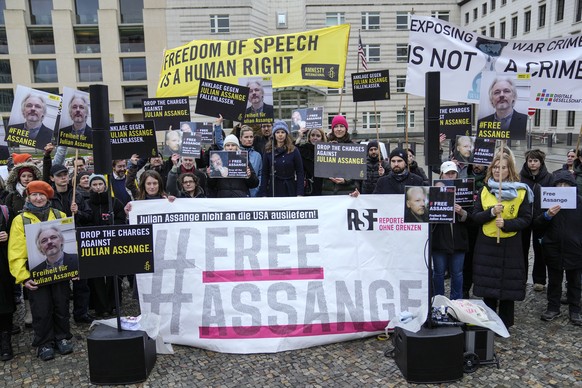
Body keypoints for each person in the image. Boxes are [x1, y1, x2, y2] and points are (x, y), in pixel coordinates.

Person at [8, 181, 73, 361]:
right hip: (35, 274)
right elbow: (16, 251)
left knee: (61, 305)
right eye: (34, 195)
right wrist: (23, 277)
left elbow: (69, 243)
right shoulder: (20, 220)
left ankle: (62, 337)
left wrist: (74, 269)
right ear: (28, 197)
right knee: (41, 309)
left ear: (48, 197)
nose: (38, 198)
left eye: (42, 195)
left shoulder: (59, 215)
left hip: (60, 271)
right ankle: (44, 342)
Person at [470, 150, 533, 329]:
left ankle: (505, 322)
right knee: (488, 283)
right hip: (487, 244)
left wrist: (506, 223)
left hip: (509, 244)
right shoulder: (485, 190)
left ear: (509, 169)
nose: (498, 170)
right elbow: (475, 216)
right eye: (496, 167)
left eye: (503, 167)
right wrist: (490, 213)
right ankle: (489, 321)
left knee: (507, 285)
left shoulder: (520, 191)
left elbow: (526, 219)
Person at [43, 163, 93, 325]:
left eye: (65, 174)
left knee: (81, 281)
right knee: (61, 283)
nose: (63, 177)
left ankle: (81, 313)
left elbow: (89, 216)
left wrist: (78, 212)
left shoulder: (77, 195)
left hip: (76, 240)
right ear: (52, 178)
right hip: (57, 244)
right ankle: (61, 316)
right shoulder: (48, 198)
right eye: (59, 175)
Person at [533, 170, 582, 326]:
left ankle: (575, 310)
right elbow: (537, 224)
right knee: (554, 280)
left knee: (574, 281)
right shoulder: (548, 202)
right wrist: (547, 215)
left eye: (565, 184)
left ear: (572, 186)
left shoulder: (579, 202)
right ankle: (553, 307)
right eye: (558, 184)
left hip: (575, 249)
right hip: (553, 248)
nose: (562, 187)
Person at [84, 174, 126, 318]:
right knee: (97, 278)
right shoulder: (86, 203)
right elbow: (85, 221)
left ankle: (113, 304)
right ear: (90, 187)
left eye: (100, 184)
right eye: (94, 185)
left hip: (113, 244)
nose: (97, 187)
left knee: (113, 276)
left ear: (105, 186)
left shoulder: (115, 203)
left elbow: (122, 220)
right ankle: (100, 307)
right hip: (93, 246)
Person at [432, 161, 470, 300]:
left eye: (453, 173)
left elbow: (472, 216)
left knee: (458, 273)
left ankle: (457, 301)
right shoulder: (433, 191)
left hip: (458, 240)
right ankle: (438, 300)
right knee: (438, 273)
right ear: (441, 175)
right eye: (447, 173)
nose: (450, 176)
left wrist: (462, 212)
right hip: (439, 240)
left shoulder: (465, 191)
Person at [519, 149, 554, 292]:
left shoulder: (549, 178)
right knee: (522, 250)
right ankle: (521, 278)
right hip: (524, 219)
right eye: (530, 161)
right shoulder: (520, 177)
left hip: (541, 219)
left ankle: (539, 280)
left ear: (541, 162)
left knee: (540, 250)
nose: (533, 164)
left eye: (535, 161)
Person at [258, 120, 304, 197]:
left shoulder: (294, 150)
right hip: (274, 188)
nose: (280, 135)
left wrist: (300, 193)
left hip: (290, 187)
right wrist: (263, 193)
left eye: (282, 132)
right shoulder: (268, 151)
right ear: (274, 134)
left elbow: (300, 172)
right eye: (277, 132)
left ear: (286, 134)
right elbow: (264, 173)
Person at [322, 115, 358, 195]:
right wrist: (328, 148)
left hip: (347, 191)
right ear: (332, 129)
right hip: (328, 192)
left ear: (346, 129)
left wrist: (346, 180)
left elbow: (358, 172)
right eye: (336, 126)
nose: (339, 129)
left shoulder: (354, 147)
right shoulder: (325, 146)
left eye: (341, 126)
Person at [0, 202, 15, 361]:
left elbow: (17, 235)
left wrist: (8, 235)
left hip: (3, 264)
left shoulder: (5, 211)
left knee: (4, 304)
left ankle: (6, 339)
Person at [297, 128, 327, 196]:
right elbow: (293, 150)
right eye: (312, 135)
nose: (315, 138)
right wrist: (299, 137)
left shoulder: (327, 151)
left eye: (318, 136)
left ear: (322, 138)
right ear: (309, 137)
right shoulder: (303, 150)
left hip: (323, 188)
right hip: (308, 187)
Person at [239, 125, 262, 197]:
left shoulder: (257, 155)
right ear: (240, 138)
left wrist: (258, 187)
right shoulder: (235, 153)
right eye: (246, 137)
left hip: (254, 193)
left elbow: (260, 174)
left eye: (251, 137)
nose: (249, 139)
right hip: (239, 193)